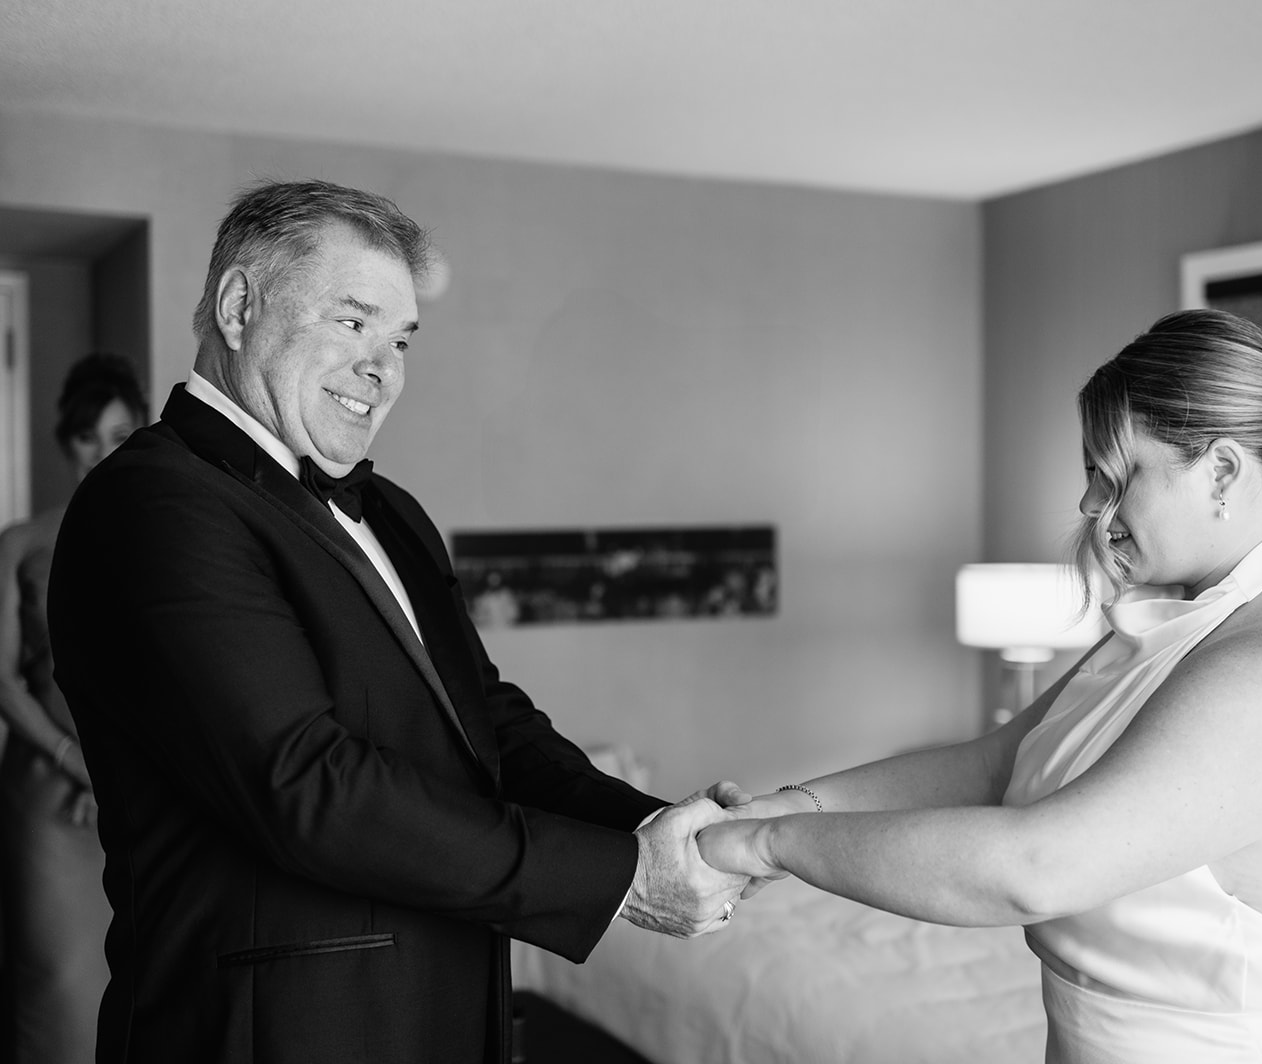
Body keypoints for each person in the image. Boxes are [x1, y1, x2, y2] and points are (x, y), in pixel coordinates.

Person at [700, 309, 1262, 1062]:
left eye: (1117, 473)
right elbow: (992, 765)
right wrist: (785, 806)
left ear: (1224, 473)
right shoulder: (1180, 631)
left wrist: (767, 848)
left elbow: (1037, 866)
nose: (1092, 504)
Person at [47, 180, 746, 1064]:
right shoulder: (151, 503)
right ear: (238, 307)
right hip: (277, 1033)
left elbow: (486, 725)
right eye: (352, 322)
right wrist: (623, 881)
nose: (384, 369)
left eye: (401, 339)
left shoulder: (395, 514)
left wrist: (661, 830)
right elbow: (305, 784)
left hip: (445, 1006)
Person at [0, 352, 147, 1064]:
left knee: (147, 976)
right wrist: (73, 761)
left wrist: (117, 774)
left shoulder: (161, 535)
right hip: (48, 793)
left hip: (138, 791)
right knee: (58, 982)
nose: (101, 451)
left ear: (139, 433)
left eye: (118, 434)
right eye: (87, 436)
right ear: (65, 442)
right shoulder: (19, 543)